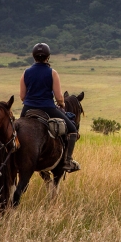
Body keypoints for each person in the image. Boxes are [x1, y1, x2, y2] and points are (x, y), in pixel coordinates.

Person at [19, 43, 80, 172]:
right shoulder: (52, 73)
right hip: (47, 108)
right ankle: (67, 161)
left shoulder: (26, 72)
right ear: (48, 57)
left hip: (27, 108)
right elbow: (59, 98)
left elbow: (22, 96)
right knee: (73, 129)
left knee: (15, 131)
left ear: (33, 56)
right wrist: (62, 104)